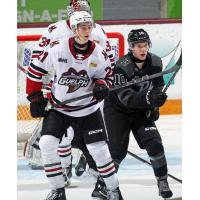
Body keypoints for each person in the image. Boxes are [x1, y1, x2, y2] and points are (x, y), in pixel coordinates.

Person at [26, 11, 123, 200]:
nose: (87, 30)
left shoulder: (99, 53)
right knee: (47, 144)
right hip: (60, 109)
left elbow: (107, 76)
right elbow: (35, 70)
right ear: (74, 29)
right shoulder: (57, 49)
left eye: (89, 26)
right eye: (83, 27)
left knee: (100, 151)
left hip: (88, 109)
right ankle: (57, 190)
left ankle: (113, 190)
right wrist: (35, 97)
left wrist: (102, 86)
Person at [103, 29, 173, 199]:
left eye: (145, 45)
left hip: (141, 110)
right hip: (117, 111)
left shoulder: (155, 61)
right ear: (131, 47)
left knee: (155, 143)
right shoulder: (122, 65)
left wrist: (155, 106)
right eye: (138, 46)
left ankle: (162, 181)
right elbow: (126, 98)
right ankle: (105, 186)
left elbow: (156, 87)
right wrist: (149, 99)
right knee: (117, 152)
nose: (143, 49)